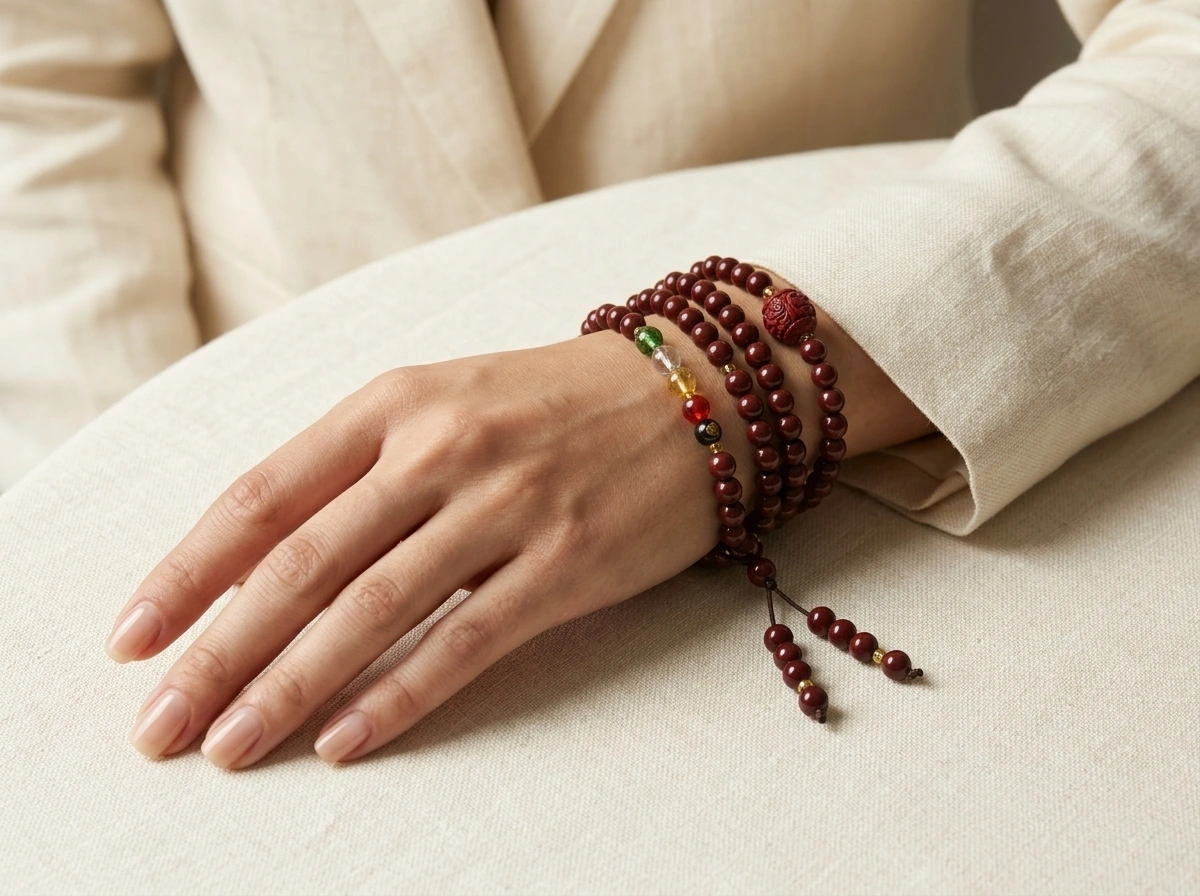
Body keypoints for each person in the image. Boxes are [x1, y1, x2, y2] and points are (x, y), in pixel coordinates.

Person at [3, 1, 1198, 769]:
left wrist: (729, 373)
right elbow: (35, 81)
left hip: (883, 460)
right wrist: (104, 475)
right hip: (247, 433)